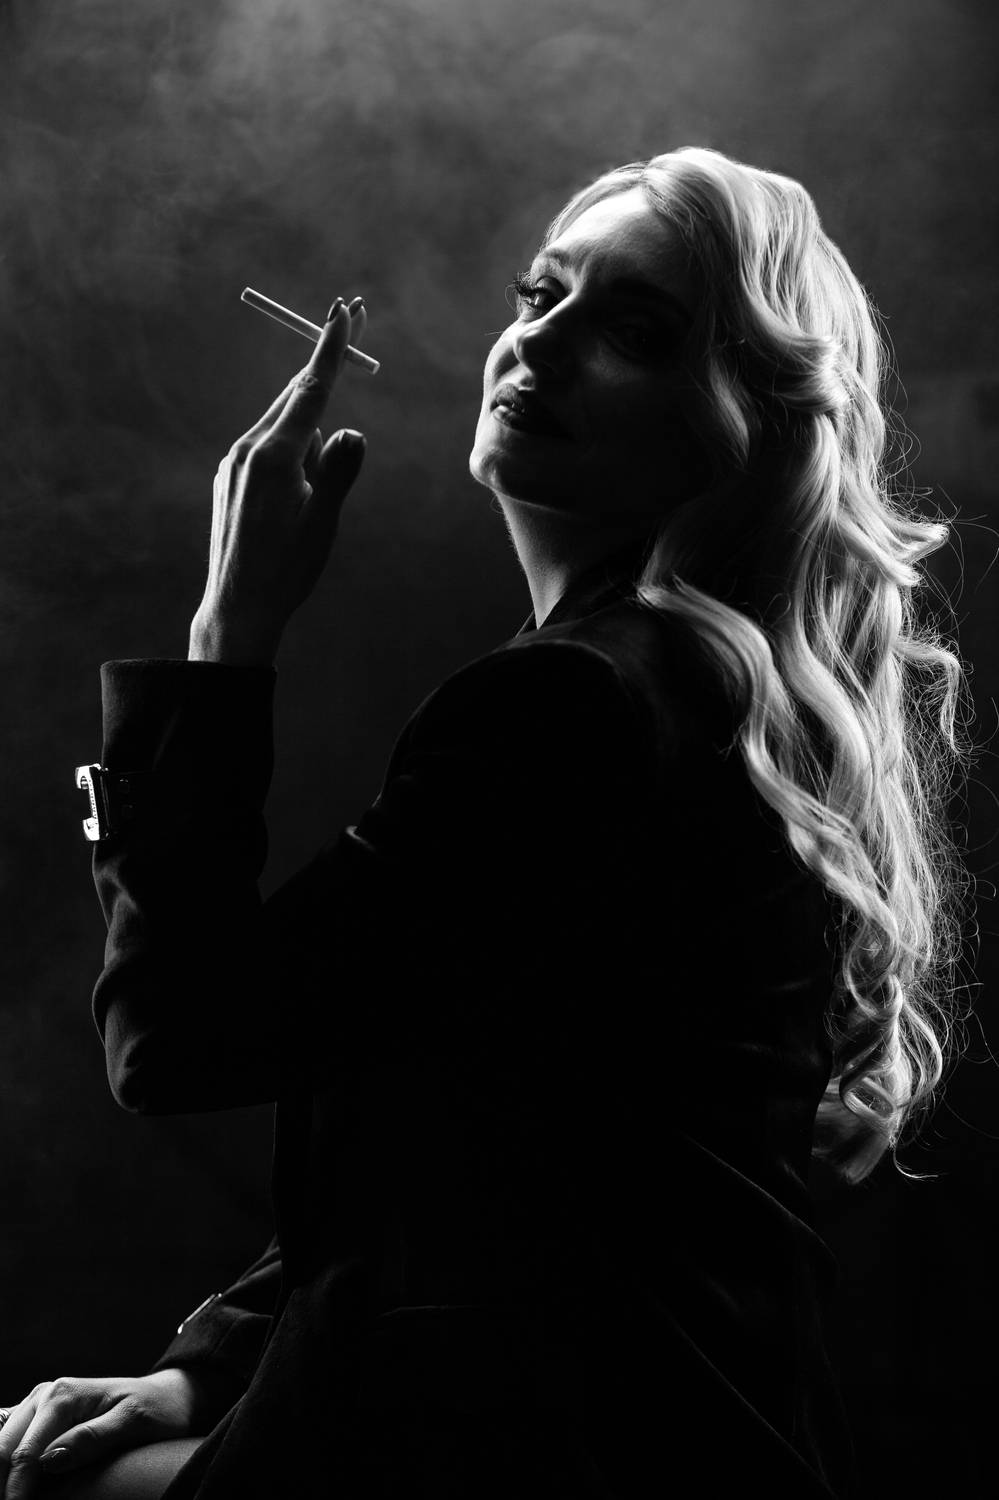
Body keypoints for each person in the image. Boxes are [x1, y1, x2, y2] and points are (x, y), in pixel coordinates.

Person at [1, 144, 972, 1498]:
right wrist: (206, 1370)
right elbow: (471, 1134)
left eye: (635, 328)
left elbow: (174, 1037)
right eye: (539, 293)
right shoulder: (701, 695)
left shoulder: (571, 707)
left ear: (737, 425)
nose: (541, 341)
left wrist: (228, 635)